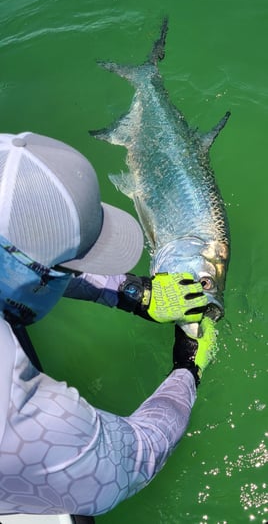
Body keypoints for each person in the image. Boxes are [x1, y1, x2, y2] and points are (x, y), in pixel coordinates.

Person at [0, 131, 217, 518]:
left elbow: (21, 261)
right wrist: (187, 369)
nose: (69, 275)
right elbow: (126, 462)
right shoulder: (16, 417)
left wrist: (133, 293)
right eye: (67, 268)